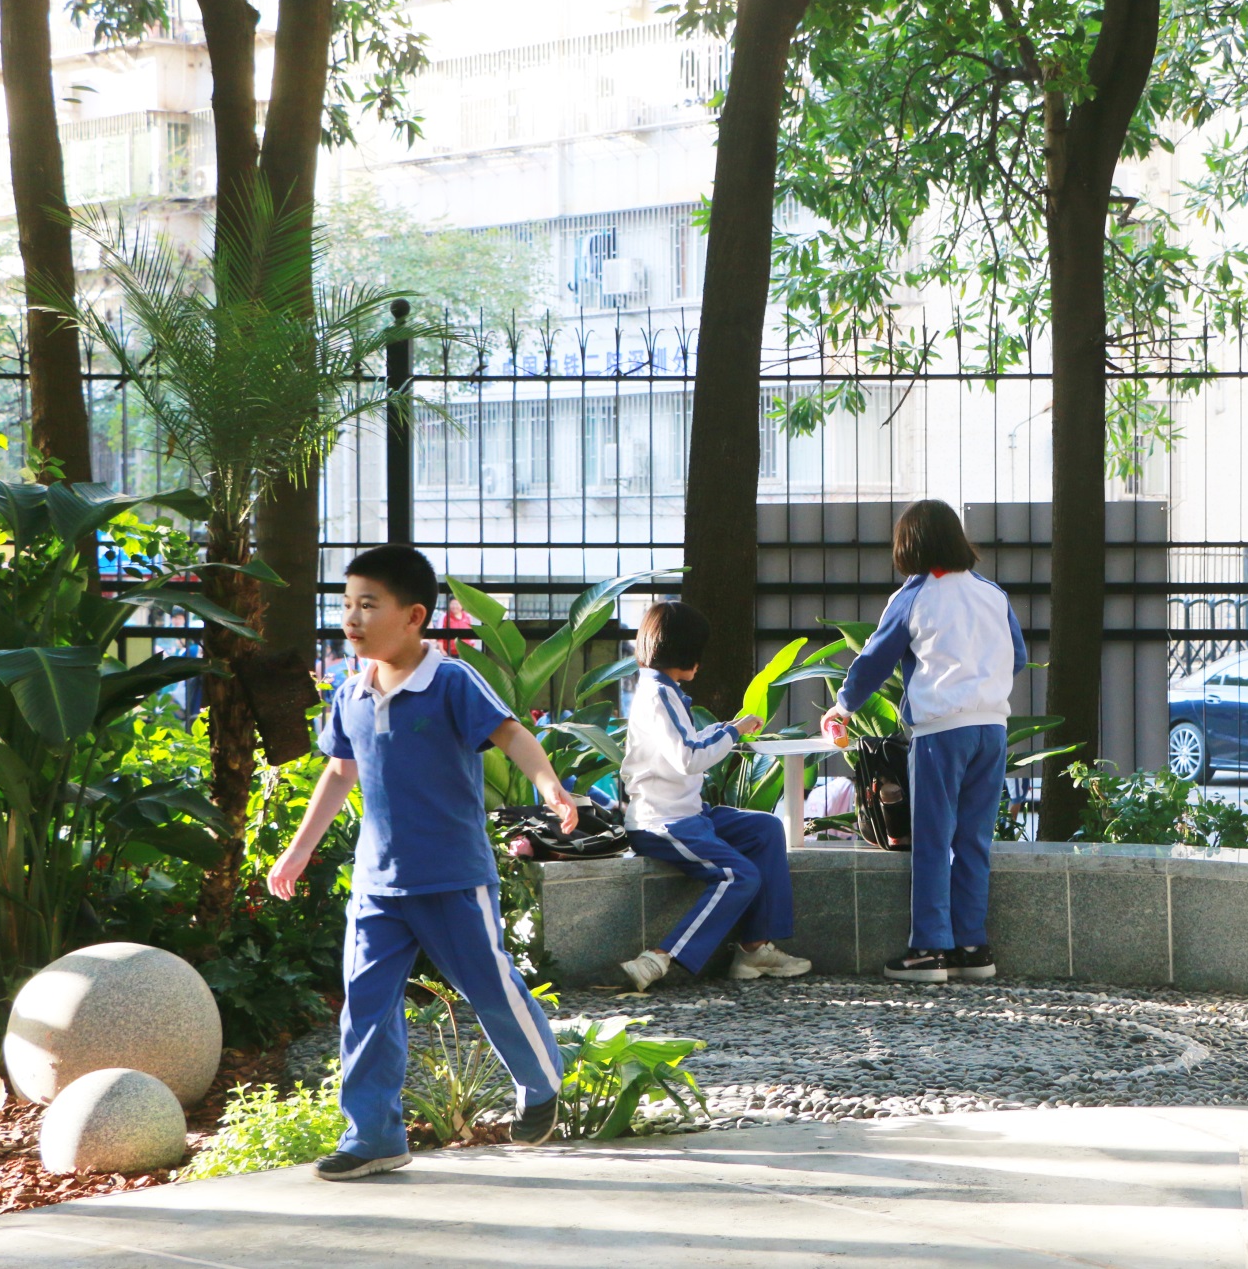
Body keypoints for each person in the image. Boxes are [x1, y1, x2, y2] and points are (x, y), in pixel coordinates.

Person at [266, 546, 574, 1181]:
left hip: (453, 877)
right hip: (376, 885)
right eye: (346, 604)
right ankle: (373, 1134)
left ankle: (540, 1084)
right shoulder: (350, 693)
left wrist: (549, 787)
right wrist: (298, 851)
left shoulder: (452, 682)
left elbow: (511, 733)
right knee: (366, 1006)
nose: (350, 617)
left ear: (413, 616)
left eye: (367, 605)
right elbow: (339, 772)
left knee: (489, 987)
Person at [822, 498, 1027, 984]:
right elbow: (1016, 656)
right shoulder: (991, 592)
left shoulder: (913, 597)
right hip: (992, 728)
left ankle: (929, 951)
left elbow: (874, 660)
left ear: (908, 546)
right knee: (974, 839)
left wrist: (842, 708)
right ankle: (973, 949)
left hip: (941, 732)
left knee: (933, 841)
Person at [615, 601, 813, 992]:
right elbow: (689, 758)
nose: (700, 663)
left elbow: (686, 743)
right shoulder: (658, 694)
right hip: (663, 822)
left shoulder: (661, 689)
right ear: (684, 651)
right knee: (738, 875)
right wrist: (733, 733)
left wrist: (730, 727)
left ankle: (755, 947)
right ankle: (659, 958)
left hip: (688, 813)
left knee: (765, 828)